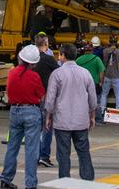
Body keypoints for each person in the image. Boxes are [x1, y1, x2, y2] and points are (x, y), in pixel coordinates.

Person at [44, 43, 97, 180]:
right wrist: (92, 116)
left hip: (62, 121)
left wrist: (48, 116)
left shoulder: (57, 74)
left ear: (62, 56)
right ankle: (88, 181)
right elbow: (93, 99)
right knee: (84, 152)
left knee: (63, 153)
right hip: (81, 121)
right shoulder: (85, 73)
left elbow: (50, 100)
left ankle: (65, 182)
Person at [0, 44, 45, 189]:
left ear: (20, 58)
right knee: (32, 149)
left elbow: (8, 91)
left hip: (14, 111)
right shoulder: (34, 76)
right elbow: (41, 95)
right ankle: (30, 184)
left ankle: (5, 180)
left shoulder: (12, 73)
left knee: (12, 147)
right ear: (33, 63)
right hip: (31, 111)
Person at [34, 32, 59, 167]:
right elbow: (59, 74)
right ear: (46, 44)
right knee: (47, 126)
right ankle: (44, 155)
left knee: (35, 129)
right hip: (47, 97)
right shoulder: (49, 59)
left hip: (32, 98)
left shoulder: (30, 59)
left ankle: (35, 155)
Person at [77, 40, 106, 118]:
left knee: (82, 101)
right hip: (94, 83)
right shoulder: (97, 59)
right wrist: (100, 82)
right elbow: (101, 71)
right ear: (92, 50)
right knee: (97, 102)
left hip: (82, 84)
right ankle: (98, 118)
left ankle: (83, 117)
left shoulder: (78, 59)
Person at [100, 34, 119, 114]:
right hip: (116, 75)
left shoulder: (105, 51)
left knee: (104, 94)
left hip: (107, 75)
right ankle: (118, 112)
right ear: (117, 42)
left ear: (109, 42)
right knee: (118, 95)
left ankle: (102, 111)